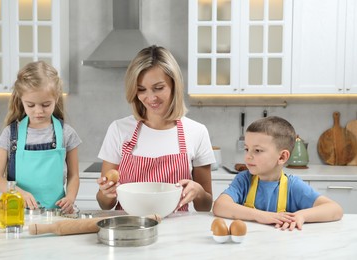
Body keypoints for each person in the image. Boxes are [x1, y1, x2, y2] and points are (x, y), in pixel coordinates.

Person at [96, 45, 214, 212]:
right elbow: (104, 204)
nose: (151, 98)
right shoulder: (119, 129)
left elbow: (205, 206)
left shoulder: (197, 132)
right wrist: (105, 193)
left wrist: (199, 192)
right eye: (141, 90)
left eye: (159, 88)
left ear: (174, 85)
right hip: (129, 229)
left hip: (176, 232)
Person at [213, 116, 343, 230]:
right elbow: (220, 206)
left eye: (257, 150)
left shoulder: (293, 186)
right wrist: (262, 216)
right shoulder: (243, 180)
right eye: (247, 149)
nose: (248, 156)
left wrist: (301, 215)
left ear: (282, 157)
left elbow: (335, 209)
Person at [0, 61, 82, 213]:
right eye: (31, 105)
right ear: (21, 100)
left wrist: (70, 198)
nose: (38, 111)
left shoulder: (67, 133)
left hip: (56, 213)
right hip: (17, 213)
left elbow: (74, 176)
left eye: (45, 104)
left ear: (56, 98)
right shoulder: (10, 134)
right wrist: (17, 192)